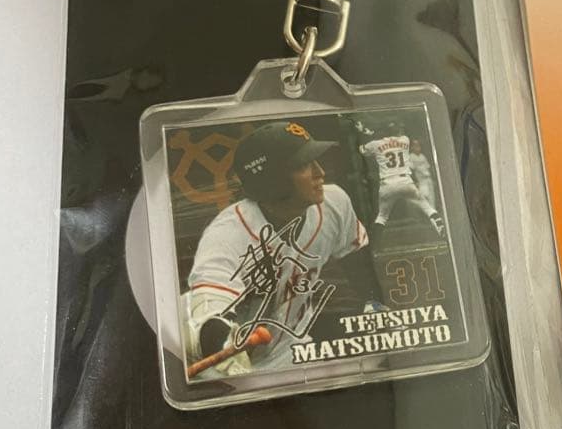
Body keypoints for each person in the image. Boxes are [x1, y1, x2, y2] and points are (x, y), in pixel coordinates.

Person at [183, 120, 381, 376]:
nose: (320, 172)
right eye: (303, 165)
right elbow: (207, 321)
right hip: (226, 364)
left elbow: (355, 256)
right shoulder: (227, 236)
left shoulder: (334, 203)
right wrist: (226, 350)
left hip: (291, 351)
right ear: (273, 181)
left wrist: (377, 304)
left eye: (316, 160)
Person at [358, 120, 445, 239]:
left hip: (387, 184)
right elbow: (395, 137)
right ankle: (441, 231)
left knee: (382, 217)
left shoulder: (375, 144)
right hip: (405, 182)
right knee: (428, 208)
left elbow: (362, 150)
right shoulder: (405, 140)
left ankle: (374, 242)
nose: (400, 131)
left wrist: (365, 133)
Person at [408, 138, 437, 211]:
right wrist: (415, 181)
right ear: (412, 147)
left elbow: (428, 167)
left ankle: (434, 213)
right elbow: (411, 170)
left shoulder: (422, 156)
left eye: (418, 145)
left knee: (431, 198)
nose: (417, 147)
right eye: (415, 145)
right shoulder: (411, 156)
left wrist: (433, 178)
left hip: (428, 179)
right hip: (421, 181)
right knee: (423, 198)